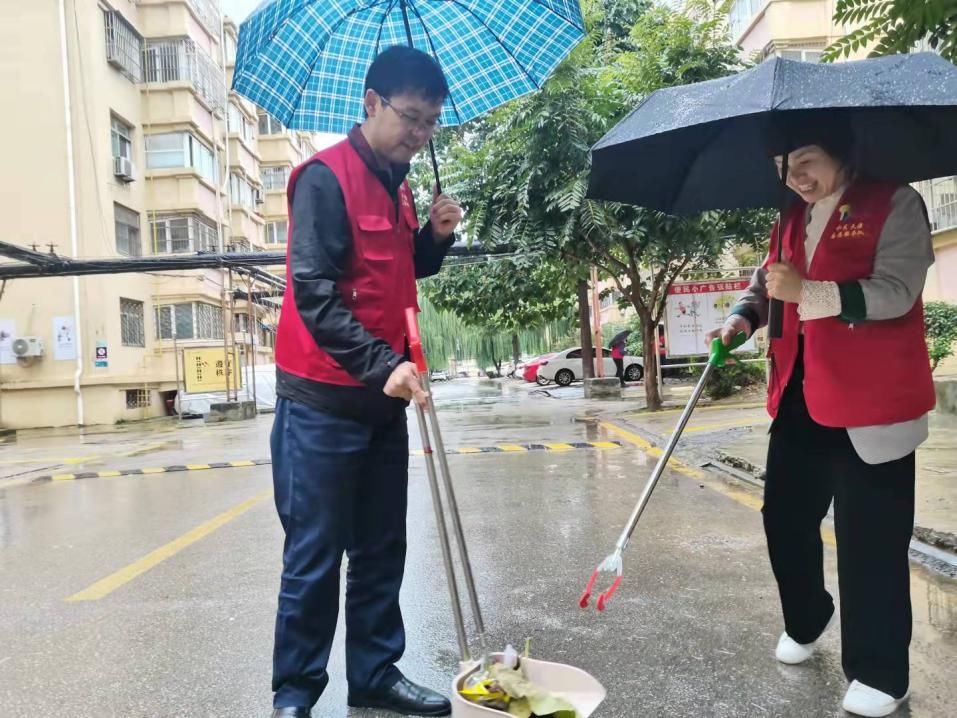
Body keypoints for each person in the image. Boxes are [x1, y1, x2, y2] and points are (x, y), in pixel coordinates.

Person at [708, 122, 936, 718]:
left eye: (805, 161)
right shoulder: (789, 216)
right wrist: (743, 318)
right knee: (784, 517)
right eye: (782, 167)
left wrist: (810, 292)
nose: (795, 177)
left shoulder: (896, 203)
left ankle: (882, 673)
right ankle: (808, 617)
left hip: (872, 406)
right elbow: (765, 284)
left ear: (841, 152)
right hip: (800, 397)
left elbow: (897, 290)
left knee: (871, 539)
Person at [269, 46, 463, 718]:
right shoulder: (324, 178)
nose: (420, 133)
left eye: (431, 122)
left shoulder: (401, 184)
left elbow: (393, 272)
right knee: (315, 558)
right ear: (371, 103)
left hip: (384, 401)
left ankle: (375, 673)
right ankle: (295, 693)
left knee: (381, 549)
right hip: (321, 402)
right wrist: (385, 367)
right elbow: (314, 294)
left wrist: (433, 240)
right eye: (410, 117)